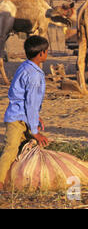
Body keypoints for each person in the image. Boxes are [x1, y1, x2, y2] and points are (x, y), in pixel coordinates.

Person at [0, 36, 50, 191]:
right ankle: (0, 182)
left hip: (22, 116)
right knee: (10, 149)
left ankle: (15, 178)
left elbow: (29, 102)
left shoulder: (25, 66)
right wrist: (35, 131)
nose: (47, 54)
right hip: (17, 119)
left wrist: (36, 118)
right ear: (41, 54)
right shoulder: (35, 75)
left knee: (24, 147)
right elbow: (31, 103)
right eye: (46, 51)